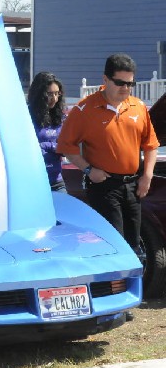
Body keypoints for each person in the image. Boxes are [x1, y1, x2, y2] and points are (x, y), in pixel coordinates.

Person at [57, 53, 159, 273]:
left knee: (134, 244)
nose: (125, 88)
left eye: (130, 83)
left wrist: (147, 176)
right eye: (120, 83)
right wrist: (87, 169)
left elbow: (150, 144)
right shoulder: (85, 109)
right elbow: (66, 146)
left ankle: (131, 294)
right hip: (104, 184)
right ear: (105, 80)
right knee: (114, 242)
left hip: (133, 185)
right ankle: (113, 293)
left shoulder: (138, 107)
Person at [28, 72, 66, 192]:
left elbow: (66, 148)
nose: (54, 99)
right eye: (49, 94)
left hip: (56, 180)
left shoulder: (60, 117)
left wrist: (46, 145)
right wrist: (55, 147)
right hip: (33, 181)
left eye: (57, 93)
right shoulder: (26, 116)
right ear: (39, 94)